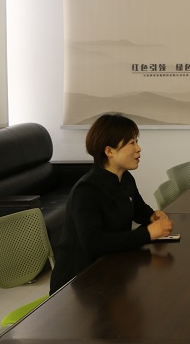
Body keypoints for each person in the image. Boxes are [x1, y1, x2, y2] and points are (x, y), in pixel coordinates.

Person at [50, 113, 173, 294]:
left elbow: (138, 209)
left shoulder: (125, 178)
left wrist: (152, 216)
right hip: (77, 283)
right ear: (109, 151)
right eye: (131, 143)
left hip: (110, 266)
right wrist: (147, 233)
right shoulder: (87, 190)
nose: (138, 149)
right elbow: (93, 243)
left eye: (137, 141)